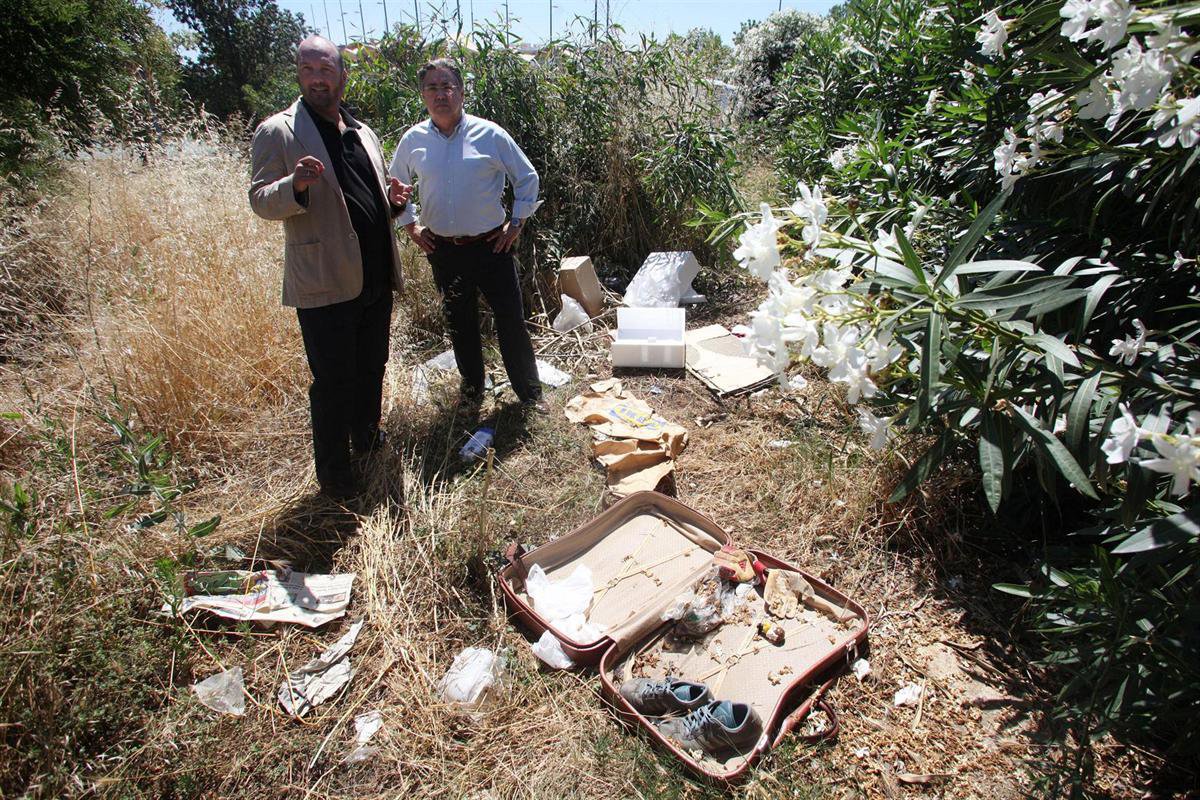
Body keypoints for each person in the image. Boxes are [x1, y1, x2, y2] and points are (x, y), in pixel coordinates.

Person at [249, 35, 413, 500]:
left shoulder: (363, 132)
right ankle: (336, 477)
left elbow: (365, 200)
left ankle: (366, 437)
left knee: (373, 366)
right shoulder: (278, 131)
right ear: (299, 75)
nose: (317, 79)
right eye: (308, 70)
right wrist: (294, 185)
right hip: (324, 281)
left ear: (342, 75)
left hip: (374, 276)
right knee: (333, 382)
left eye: (325, 69)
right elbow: (260, 200)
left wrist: (393, 203)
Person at [389, 57, 547, 414]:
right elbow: (394, 185)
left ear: (461, 92)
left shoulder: (489, 135)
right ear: (422, 94)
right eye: (432, 87)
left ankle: (529, 394)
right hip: (444, 250)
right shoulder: (413, 140)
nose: (440, 94)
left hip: (492, 246)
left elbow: (527, 177)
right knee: (460, 323)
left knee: (510, 320)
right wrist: (410, 225)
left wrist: (517, 224)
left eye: (447, 86)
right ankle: (473, 390)